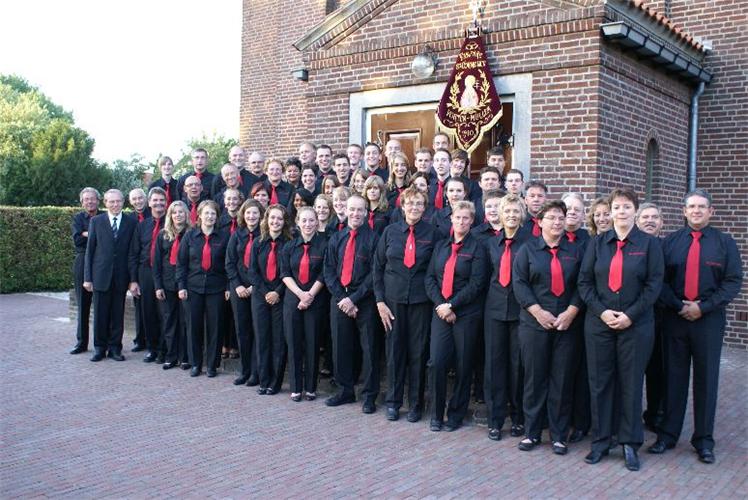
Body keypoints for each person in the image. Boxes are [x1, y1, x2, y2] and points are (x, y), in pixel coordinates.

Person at [649, 189, 742, 464]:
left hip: (708, 321)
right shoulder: (670, 243)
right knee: (673, 379)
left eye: (702, 207)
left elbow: (732, 281)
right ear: (684, 211)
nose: (697, 211)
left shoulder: (725, 243)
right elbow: (659, 280)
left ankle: (704, 441)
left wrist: (704, 307)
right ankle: (667, 435)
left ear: (711, 211)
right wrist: (679, 306)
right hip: (675, 318)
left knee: (706, 380)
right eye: (692, 206)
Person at [577, 188, 664, 471]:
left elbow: (654, 285)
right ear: (611, 211)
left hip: (636, 325)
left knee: (631, 383)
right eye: (617, 207)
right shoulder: (597, 243)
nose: (621, 212)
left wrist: (629, 315)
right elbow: (584, 283)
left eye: (627, 207)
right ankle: (601, 441)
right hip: (599, 324)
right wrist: (602, 311)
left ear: (635, 211)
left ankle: (629, 443)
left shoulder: (649, 245)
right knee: (600, 383)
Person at [512, 200, 584, 455]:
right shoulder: (527, 250)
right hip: (534, 324)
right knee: (534, 379)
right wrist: (537, 312)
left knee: (561, 380)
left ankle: (559, 435)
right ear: (540, 222)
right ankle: (532, 433)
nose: (557, 222)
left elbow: (583, 284)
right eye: (551, 218)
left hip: (567, 325)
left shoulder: (575, 251)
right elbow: (519, 283)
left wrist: (571, 312)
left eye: (561, 218)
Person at [374, 186, 439, 423]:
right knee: (394, 352)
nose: (414, 207)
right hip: (393, 302)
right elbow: (377, 267)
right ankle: (393, 402)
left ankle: (416, 404)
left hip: (421, 302)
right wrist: (380, 301)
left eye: (419, 203)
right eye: (410, 203)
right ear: (402, 206)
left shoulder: (434, 234)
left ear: (425, 207)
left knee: (418, 353)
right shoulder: (390, 232)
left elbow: (437, 270)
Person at [424, 200, 488, 432]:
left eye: (466, 218)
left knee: (463, 365)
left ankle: (456, 414)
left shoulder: (478, 248)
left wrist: (452, 305)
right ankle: (436, 413)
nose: (461, 221)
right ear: (451, 218)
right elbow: (430, 278)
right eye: (458, 217)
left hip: (466, 314)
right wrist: (442, 305)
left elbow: (477, 283)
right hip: (441, 312)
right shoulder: (441, 246)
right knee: (437, 362)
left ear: (472, 221)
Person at [478, 193, 531, 441]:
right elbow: (484, 277)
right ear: (500, 214)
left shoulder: (531, 243)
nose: (511, 215)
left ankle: (518, 417)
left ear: (522, 214)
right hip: (495, 311)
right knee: (494, 365)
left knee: (518, 366)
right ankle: (495, 420)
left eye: (515, 211)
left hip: (521, 312)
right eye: (507, 211)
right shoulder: (490, 244)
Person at [323, 194, 381, 412]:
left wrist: (354, 299)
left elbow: (375, 273)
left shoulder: (374, 239)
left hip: (365, 301)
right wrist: (342, 298)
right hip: (340, 300)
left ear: (366, 212)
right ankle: (345, 391)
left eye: (360, 210)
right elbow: (329, 270)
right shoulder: (336, 238)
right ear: (346, 210)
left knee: (370, 349)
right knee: (340, 346)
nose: (355, 214)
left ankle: (369, 396)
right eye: (352, 209)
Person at [176, 200, 230, 378]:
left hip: (217, 288)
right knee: (194, 327)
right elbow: (181, 264)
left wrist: (228, 286)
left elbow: (229, 264)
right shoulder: (190, 236)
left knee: (215, 328)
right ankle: (196, 364)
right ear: (199, 215)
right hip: (193, 288)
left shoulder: (224, 237)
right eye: (206, 213)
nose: (210, 216)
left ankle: (212, 365)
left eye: (213, 213)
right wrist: (181, 286)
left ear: (217, 216)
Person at [83, 189, 137, 362]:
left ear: (123, 202)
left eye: (118, 201)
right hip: (100, 275)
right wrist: (87, 278)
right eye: (111, 202)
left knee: (117, 314)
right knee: (100, 314)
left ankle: (115, 348)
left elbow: (132, 253)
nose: (115, 205)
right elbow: (90, 251)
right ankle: (100, 348)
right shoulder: (96, 221)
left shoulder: (131, 222)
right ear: (105, 203)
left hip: (121, 276)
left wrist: (132, 279)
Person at [281, 206, 327, 401]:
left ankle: (310, 387)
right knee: (294, 344)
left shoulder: (324, 245)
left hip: (315, 301)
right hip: (293, 300)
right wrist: (300, 294)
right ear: (298, 223)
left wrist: (309, 296)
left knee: (312, 344)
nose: (308, 224)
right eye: (304, 220)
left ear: (317, 222)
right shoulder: (289, 247)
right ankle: (296, 387)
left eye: (311, 220)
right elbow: (285, 273)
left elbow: (324, 273)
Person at [248, 204, 291, 395]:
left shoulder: (289, 243)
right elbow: (252, 272)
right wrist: (266, 292)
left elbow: (290, 272)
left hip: (281, 296)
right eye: (272, 218)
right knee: (262, 338)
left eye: (279, 218)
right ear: (266, 219)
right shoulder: (258, 243)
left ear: (284, 221)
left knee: (278, 341)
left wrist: (277, 292)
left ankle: (275, 383)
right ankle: (263, 381)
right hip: (260, 296)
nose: (275, 221)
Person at [562, 192, 592, 443]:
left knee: (579, 371)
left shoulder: (590, 242)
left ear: (584, 215)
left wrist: (573, 309)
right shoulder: (551, 238)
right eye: (567, 208)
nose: (571, 212)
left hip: (581, 314)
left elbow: (588, 280)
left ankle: (580, 422)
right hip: (553, 315)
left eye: (577, 209)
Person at [225, 199, 265, 386]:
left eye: (255, 213)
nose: (251, 216)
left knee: (258, 331)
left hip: (258, 289)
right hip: (238, 289)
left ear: (261, 215)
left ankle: (257, 372)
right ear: (243, 214)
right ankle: (245, 370)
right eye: (248, 213)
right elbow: (230, 263)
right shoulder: (236, 235)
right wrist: (237, 285)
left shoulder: (264, 236)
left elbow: (266, 266)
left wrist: (253, 287)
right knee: (242, 331)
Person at [636, 202, 666, 431]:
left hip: (663, 319)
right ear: (637, 221)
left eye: (654, 217)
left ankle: (655, 415)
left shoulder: (668, 247)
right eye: (645, 217)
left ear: (661, 222)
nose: (650, 221)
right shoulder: (631, 247)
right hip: (636, 318)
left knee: (658, 371)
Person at [128, 187, 167, 363]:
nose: (158, 203)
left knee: (164, 312)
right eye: (155, 200)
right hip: (145, 273)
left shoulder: (171, 224)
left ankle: (165, 349)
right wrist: (133, 280)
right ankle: (152, 349)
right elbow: (133, 254)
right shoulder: (142, 226)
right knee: (148, 312)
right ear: (149, 203)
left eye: (161, 200)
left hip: (165, 274)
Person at [152, 201, 190, 370]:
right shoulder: (163, 235)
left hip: (186, 284)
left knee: (185, 321)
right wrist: (158, 286)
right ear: (170, 215)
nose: (178, 215)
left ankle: (185, 357)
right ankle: (171, 356)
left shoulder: (192, 233)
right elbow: (156, 262)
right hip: (167, 283)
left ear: (186, 214)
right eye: (174, 212)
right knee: (169, 320)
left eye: (181, 212)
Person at [70, 187, 102, 354]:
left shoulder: (105, 216)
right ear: (82, 202)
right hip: (82, 262)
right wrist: (94, 235)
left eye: (92, 198)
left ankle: (101, 343)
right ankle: (81, 343)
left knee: (102, 306)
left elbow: (106, 239)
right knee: (83, 304)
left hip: (101, 262)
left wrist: (87, 234)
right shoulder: (78, 218)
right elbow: (77, 240)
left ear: (98, 200)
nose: (90, 202)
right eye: (86, 199)